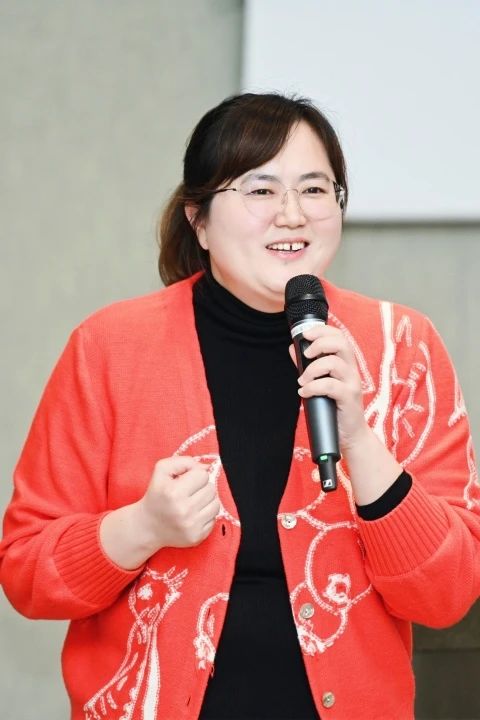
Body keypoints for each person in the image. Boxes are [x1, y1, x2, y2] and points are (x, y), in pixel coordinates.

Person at [1, 92, 479, 720]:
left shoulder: (402, 348)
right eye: (260, 190)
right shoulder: (109, 348)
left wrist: (362, 444)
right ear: (198, 219)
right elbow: (28, 571)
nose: (292, 215)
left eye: (315, 189)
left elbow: (447, 595)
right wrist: (142, 528)